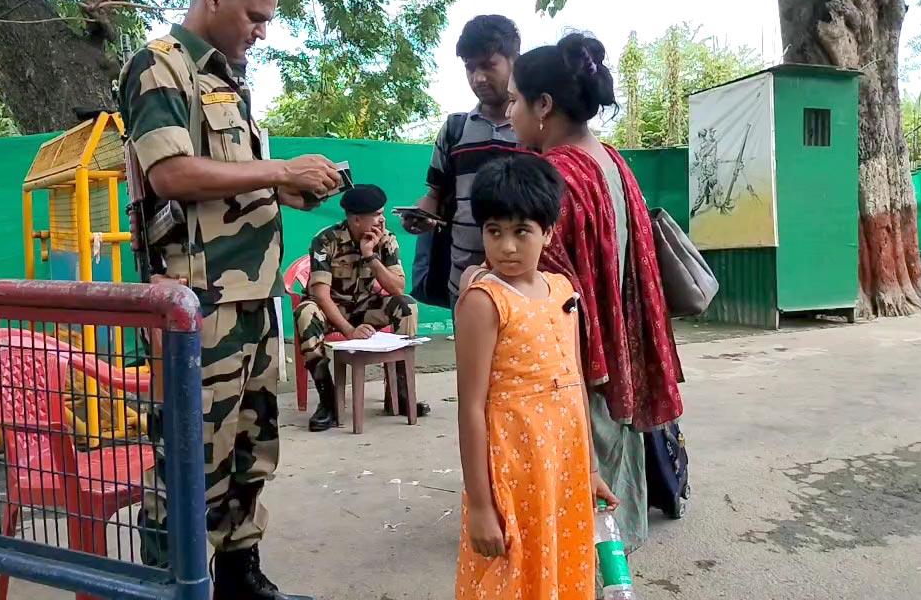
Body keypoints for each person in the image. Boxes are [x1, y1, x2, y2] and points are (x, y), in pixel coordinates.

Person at [118, 0, 336, 600]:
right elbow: (171, 174)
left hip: (251, 297)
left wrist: (290, 190)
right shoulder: (159, 66)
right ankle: (168, 584)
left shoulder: (228, 82)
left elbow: (226, 187)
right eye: (256, 16)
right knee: (190, 458)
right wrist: (278, 171)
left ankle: (240, 576)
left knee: (250, 447)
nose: (262, 32)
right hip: (194, 302)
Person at [505, 33, 686, 556]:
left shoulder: (555, 175)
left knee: (580, 486)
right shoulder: (610, 159)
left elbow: (542, 286)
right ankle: (613, 562)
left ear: (543, 106)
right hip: (623, 345)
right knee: (612, 469)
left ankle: (589, 568)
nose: (510, 112)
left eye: (517, 100)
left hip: (577, 363)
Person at [454, 153, 619, 599]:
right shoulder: (483, 302)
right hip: (513, 463)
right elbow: (470, 407)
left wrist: (590, 469)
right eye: (495, 232)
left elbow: (574, 383)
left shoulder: (564, 291)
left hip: (563, 461)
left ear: (547, 233)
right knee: (514, 574)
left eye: (521, 231)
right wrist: (481, 507)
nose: (507, 246)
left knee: (562, 562)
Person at [403, 15, 523, 308]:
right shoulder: (455, 129)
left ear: (514, 61)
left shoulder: (534, 131)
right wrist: (420, 217)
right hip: (465, 285)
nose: (478, 78)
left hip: (523, 286)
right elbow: (433, 196)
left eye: (488, 65)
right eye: (470, 68)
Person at [293, 184, 430, 431]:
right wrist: (349, 331)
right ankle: (328, 401)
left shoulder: (385, 239)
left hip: (367, 306)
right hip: (333, 310)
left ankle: (398, 396)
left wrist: (370, 257)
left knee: (406, 306)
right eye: (377, 214)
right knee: (306, 312)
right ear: (356, 219)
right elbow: (321, 295)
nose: (382, 219)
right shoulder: (325, 241)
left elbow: (398, 288)